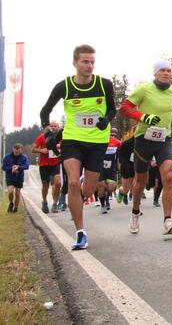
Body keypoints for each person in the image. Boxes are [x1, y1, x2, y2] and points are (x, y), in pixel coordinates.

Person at [40, 44, 116, 250]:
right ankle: (80, 232)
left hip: (97, 142)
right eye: (85, 61)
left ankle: (82, 191)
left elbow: (112, 110)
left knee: (88, 189)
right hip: (72, 140)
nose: (89, 66)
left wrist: (106, 120)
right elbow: (45, 111)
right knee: (72, 183)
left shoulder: (104, 84)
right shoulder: (63, 86)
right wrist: (48, 134)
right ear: (75, 63)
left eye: (92, 62)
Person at [119, 60, 172, 235]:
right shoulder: (144, 89)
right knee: (140, 181)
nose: (166, 73)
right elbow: (124, 108)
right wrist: (143, 117)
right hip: (143, 139)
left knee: (168, 175)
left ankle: (168, 221)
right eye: (162, 70)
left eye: (169, 70)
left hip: (164, 139)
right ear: (155, 73)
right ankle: (134, 213)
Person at [32, 120, 63, 213]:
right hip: (44, 165)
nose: (53, 128)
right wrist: (41, 150)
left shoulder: (61, 137)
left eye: (55, 126)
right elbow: (33, 149)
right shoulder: (42, 137)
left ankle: (55, 204)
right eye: (52, 126)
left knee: (58, 183)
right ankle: (44, 201)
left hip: (55, 164)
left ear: (58, 128)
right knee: (45, 185)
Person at [98, 128, 122, 213]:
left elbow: (120, 154)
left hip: (111, 168)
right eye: (111, 134)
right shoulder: (98, 140)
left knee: (111, 187)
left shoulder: (117, 143)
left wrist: (119, 165)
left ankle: (107, 199)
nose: (112, 136)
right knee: (101, 186)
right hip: (100, 167)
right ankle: (103, 205)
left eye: (114, 135)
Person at [3, 144, 29, 213]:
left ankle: (16, 208)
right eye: (15, 151)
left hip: (19, 178)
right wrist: (11, 168)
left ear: (21, 150)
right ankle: (11, 203)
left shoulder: (24, 157)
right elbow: (3, 167)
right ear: (13, 149)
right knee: (11, 191)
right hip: (10, 177)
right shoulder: (7, 157)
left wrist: (18, 167)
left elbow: (26, 166)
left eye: (18, 151)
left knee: (17, 193)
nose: (17, 153)